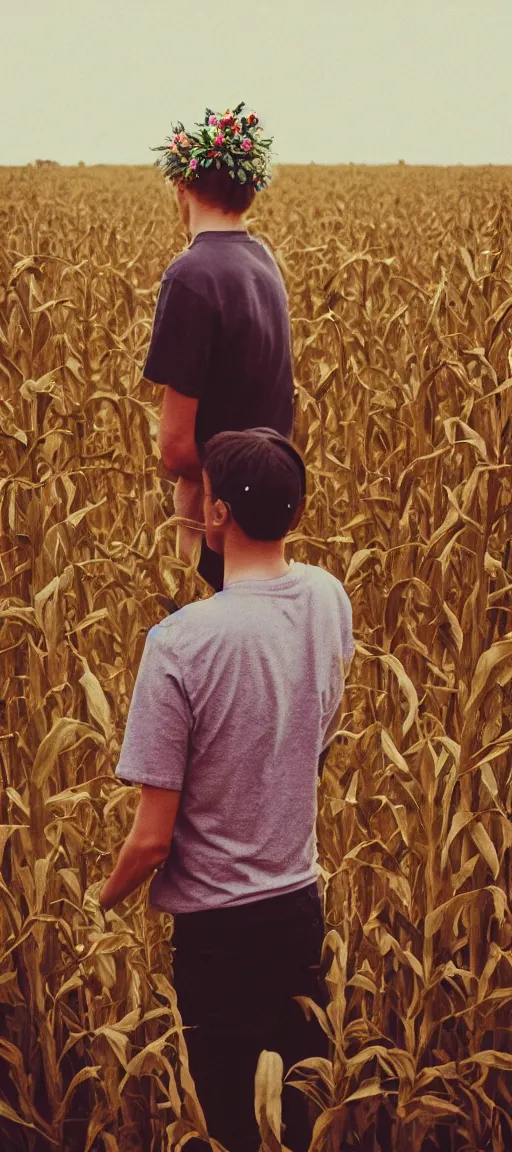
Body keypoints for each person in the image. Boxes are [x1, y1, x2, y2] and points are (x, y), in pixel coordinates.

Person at [99, 429, 354, 1152]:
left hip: (217, 936)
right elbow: (319, 733)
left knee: (231, 1131)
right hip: (300, 906)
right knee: (303, 1123)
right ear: (296, 513)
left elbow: (151, 839)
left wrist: (100, 905)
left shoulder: (181, 644)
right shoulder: (330, 600)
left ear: (215, 516)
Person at [145, 101, 295, 591]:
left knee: (205, 648)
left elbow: (174, 447)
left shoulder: (191, 274)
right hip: (265, 515)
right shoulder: (263, 261)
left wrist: (219, 495)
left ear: (180, 186)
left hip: (218, 522)